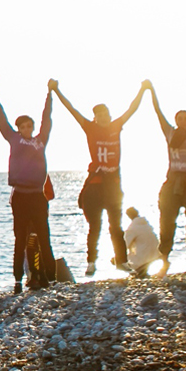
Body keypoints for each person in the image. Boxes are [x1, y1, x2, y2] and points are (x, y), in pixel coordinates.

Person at [50, 80, 149, 276]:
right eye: (99, 115)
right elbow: (72, 109)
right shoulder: (91, 129)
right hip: (96, 185)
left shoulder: (116, 126)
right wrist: (56, 90)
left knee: (116, 226)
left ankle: (121, 261)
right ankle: (91, 262)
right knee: (95, 226)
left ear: (109, 116)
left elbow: (132, 109)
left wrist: (142, 90)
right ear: (95, 118)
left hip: (113, 185)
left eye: (105, 114)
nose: (103, 117)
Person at [0, 82, 58, 292]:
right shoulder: (14, 139)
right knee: (20, 238)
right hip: (20, 196)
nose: (27, 129)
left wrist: (50, 93)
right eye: (23, 126)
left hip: (38, 196)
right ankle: (18, 279)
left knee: (43, 236)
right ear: (19, 128)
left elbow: (47, 119)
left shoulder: (41, 141)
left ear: (33, 127)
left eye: (29, 126)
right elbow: (0, 119)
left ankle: (51, 277)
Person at [147, 77, 186, 277]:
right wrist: (151, 90)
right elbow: (157, 111)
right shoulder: (170, 133)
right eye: (179, 118)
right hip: (173, 183)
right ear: (175, 121)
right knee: (167, 224)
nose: (183, 121)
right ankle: (164, 262)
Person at [122, 208, 161, 277]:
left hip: (143, 256)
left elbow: (124, 245)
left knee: (118, 259)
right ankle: (141, 271)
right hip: (155, 254)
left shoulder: (133, 228)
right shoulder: (146, 225)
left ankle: (136, 272)